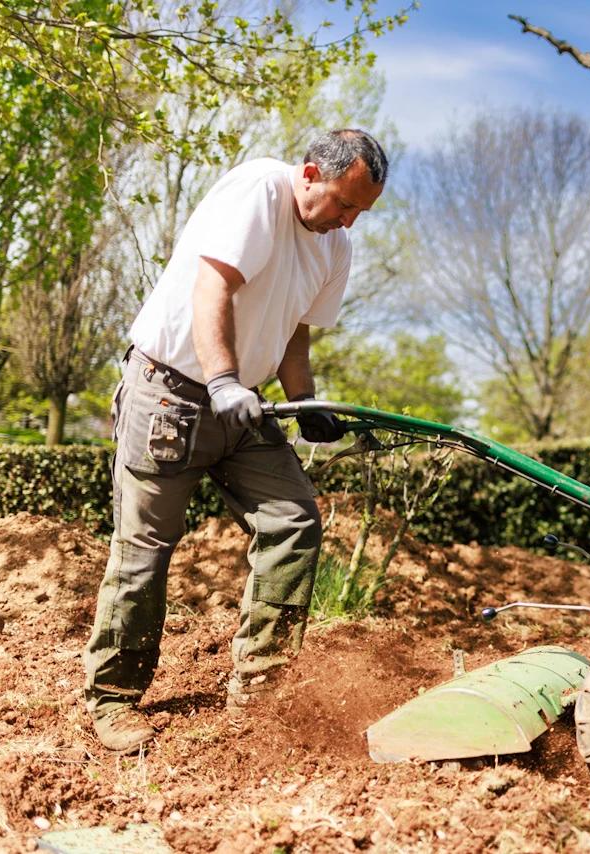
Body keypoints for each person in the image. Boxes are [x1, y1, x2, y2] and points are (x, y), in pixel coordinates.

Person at [82, 129, 388, 753]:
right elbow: (212, 287)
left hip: (243, 409)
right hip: (169, 393)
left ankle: (261, 690)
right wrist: (221, 379)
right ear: (308, 174)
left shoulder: (335, 247)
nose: (347, 220)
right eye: (342, 203)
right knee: (146, 546)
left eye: (360, 211)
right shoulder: (258, 189)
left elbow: (295, 334)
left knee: (294, 521)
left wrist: (305, 406)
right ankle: (112, 699)